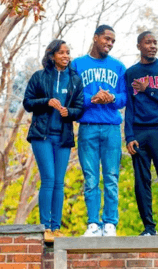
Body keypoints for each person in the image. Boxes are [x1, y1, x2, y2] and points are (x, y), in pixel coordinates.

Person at [23, 39, 84, 242]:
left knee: (59, 182)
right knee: (48, 179)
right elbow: (28, 102)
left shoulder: (75, 79)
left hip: (63, 137)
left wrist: (70, 112)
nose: (66, 56)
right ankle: (45, 227)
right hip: (42, 136)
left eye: (68, 52)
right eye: (62, 53)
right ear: (52, 55)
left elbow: (79, 108)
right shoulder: (39, 77)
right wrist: (46, 102)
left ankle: (56, 228)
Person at [71, 25, 127, 237]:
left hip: (112, 127)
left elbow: (124, 98)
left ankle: (110, 223)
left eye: (113, 41)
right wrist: (92, 99)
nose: (110, 43)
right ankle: (93, 224)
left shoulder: (119, 66)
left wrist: (111, 98)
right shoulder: (77, 64)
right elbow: (73, 96)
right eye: (106, 39)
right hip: (88, 127)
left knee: (111, 177)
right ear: (95, 38)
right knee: (91, 178)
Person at [124, 31, 158, 236]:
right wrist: (129, 136)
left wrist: (150, 90)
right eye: (148, 42)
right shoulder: (131, 73)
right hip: (139, 132)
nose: (153, 46)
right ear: (139, 46)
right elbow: (129, 106)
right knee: (141, 182)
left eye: (155, 42)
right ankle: (148, 227)